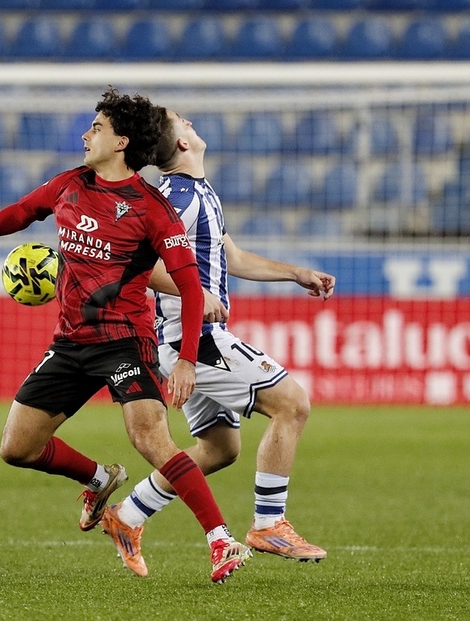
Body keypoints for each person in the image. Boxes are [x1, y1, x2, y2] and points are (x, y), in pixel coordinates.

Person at [0, 90, 251, 584]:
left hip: (125, 342)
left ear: (121, 142)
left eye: (97, 128)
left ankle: (220, 540)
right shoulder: (69, 185)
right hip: (70, 343)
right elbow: (22, 211)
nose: (86, 135)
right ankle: (99, 478)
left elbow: (192, 289)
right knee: (16, 448)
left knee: (149, 438)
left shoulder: (153, 209)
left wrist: (187, 361)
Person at [99, 108, 336, 577]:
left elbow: (234, 256)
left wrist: (295, 273)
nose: (190, 122)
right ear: (182, 143)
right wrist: (193, 291)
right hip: (194, 339)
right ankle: (269, 524)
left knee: (219, 447)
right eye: (182, 121)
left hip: (190, 339)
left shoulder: (198, 192)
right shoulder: (175, 199)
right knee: (292, 404)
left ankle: (128, 515)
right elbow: (130, 263)